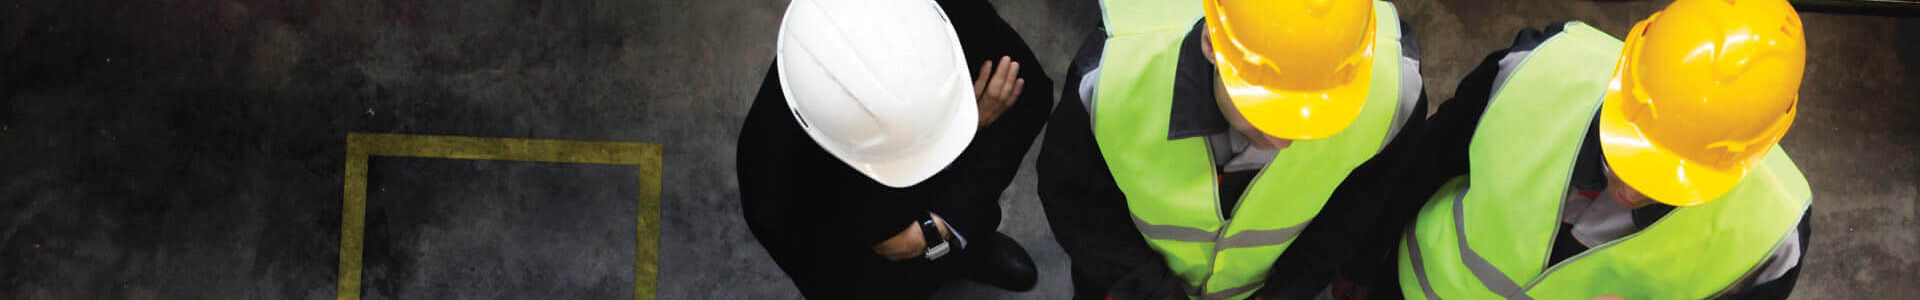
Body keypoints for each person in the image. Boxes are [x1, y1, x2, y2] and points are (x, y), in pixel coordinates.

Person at [1381, 0, 1812, 299]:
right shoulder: (1536, 67)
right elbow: (1421, 166)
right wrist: (1364, 264)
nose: (1629, 190)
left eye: (1665, 181)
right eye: (1629, 152)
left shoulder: (1772, 241)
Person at [1037, 0, 1428, 299]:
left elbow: (1355, 212)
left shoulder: (1395, 92)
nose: (1286, 141)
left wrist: (1287, 291)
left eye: (1320, 114)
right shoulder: (1112, 76)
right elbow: (1075, 202)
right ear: (1211, 44)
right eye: (1266, 110)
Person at [735, 0, 1052, 298]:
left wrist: (943, 227)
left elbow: (1031, 94)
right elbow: (837, 285)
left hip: (945, 210)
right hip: (861, 265)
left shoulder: (937, 11)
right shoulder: (774, 194)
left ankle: (958, 252)